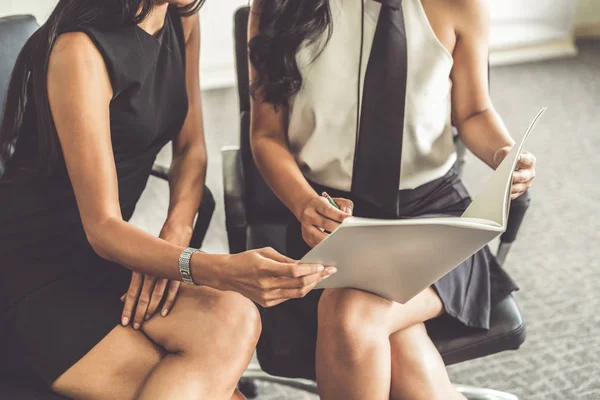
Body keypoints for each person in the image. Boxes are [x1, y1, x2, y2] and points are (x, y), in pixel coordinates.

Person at [0, 1, 335, 399]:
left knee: (235, 316)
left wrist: (176, 234)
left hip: (109, 257)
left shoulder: (179, 17)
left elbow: (191, 148)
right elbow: (102, 227)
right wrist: (220, 270)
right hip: (34, 273)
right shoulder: (79, 50)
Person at [248, 0, 537, 399]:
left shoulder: (460, 5)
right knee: (381, 334)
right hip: (328, 221)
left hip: (435, 221)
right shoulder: (278, 5)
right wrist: (303, 203)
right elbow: (266, 135)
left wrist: (502, 154)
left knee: (350, 317)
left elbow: (472, 111)